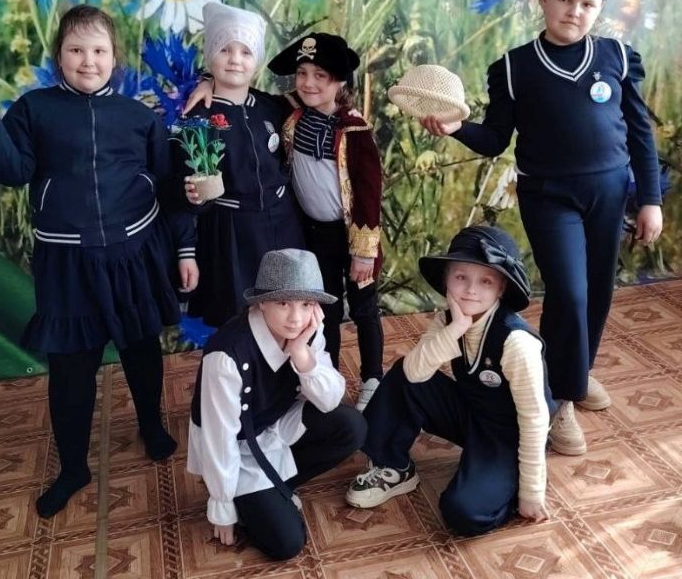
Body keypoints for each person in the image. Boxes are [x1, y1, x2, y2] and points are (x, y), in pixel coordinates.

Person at [0, 5, 199, 518]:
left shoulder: (139, 117)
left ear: (114, 57)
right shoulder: (34, 109)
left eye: (99, 50)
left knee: (141, 349)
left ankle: (151, 426)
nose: (88, 61)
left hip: (133, 255)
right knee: (70, 370)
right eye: (76, 50)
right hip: (66, 264)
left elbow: (170, 189)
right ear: (59, 55)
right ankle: (74, 468)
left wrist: (186, 249)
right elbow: (12, 171)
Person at [420, 0, 663, 455]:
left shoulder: (617, 56)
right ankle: (558, 400)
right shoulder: (514, 67)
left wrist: (650, 200)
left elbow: (641, 134)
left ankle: (575, 375)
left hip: (609, 192)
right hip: (549, 196)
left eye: (588, 4)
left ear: (599, 10)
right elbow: (495, 139)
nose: (575, 11)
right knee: (569, 293)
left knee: (598, 290)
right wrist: (456, 128)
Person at [346, 225, 554, 536]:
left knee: (463, 512)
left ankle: (503, 483)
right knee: (407, 371)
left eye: (485, 281)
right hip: (471, 414)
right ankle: (394, 466)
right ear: (446, 280)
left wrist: (531, 491)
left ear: (501, 288)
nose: (470, 290)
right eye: (460, 277)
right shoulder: (447, 321)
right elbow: (413, 373)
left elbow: (534, 418)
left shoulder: (516, 342)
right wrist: (455, 329)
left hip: (508, 436)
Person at [187, 248, 367, 560]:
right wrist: (222, 506)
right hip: (236, 447)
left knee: (352, 426)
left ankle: (278, 485)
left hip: (276, 423)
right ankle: (250, 496)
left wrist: (302, 354)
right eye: (284, 303)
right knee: (286, 543)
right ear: (261, 302)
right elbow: (219, 437)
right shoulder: (227, 355)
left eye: (306, 304)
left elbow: (329, 400)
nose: (296, 317)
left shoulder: (308, 332)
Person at [267, 34, 385, 411]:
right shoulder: (292, 114)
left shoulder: (354, 130)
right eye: (302, 73)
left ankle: (373, 378)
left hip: (352, 236)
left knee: (364, 308)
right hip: (314, 237)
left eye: (320, 75)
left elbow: (368, 193)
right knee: (324, 310)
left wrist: (363, 253)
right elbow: (250, 96)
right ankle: (326, 373)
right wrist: (209, 80)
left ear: (339, 82)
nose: (308, 83)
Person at [180, 1, 305, 329]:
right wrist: (193, 200)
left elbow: (319, 98)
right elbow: (187, 189)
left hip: (282, 224)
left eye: (246, 52)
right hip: (231, 233)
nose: (235, 59)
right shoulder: (198, 117)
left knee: (287, 311)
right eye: (224, 49)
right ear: (210, 55)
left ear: (257, 60)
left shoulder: (273, 107)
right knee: (238, 320)